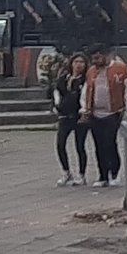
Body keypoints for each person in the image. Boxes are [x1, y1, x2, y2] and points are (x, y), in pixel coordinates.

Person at [81, 44, 127, 188]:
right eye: (93, 59)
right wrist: (85, 109)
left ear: (105, 55)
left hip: (113, 112)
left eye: (98, 57)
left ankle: (115, 173)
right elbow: (86, 91)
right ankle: (102, 175)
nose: (96, 61)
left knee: (109, 143)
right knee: (98, 146)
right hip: (95, 113)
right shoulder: (91, 71)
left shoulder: (120, 69)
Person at [54, 53, 90, 186]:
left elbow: (85, 96)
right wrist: (57, 106)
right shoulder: (64, 79)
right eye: (76, 62)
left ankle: (81, 174)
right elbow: (57, 93)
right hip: (65, 116)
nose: (79, 65)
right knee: (60, 144)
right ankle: (66, 172)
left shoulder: (85, 80)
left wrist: (84, 111)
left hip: (79, 116)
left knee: (79, 145)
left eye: (81, 62)